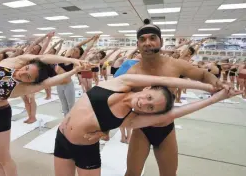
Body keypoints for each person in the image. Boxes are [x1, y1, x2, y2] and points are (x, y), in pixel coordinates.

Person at [54, 73, 241, 176]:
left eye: (150, 107)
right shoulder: (121, 82)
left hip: (85, 150)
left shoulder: (131, 119)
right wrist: (210, 87)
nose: (144, 103)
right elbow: (164, 80)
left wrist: (215, 98)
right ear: (146, 88)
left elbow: (175, 112)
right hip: (61, 138)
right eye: (149, 97)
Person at [110, 19, 230, 176]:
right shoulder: (132, 73)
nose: (147, 43)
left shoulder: (175, 65)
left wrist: (215, 81)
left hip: (166, 128)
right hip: (141, 129)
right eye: (143, 39)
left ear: (161, 41)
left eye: (152, 38)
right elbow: (115, 101)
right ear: (138, 45)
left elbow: (202, 74)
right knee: (132, 173)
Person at [0, 53, 86, 176]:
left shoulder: (23, 88)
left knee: (3, 158)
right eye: (26, 69)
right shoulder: (13, 62)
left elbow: (50, 82)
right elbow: (42, 58)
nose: (21, 73)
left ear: (31, 82)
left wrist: (74, 71)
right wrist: (71, 59)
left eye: (27, 77)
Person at [56, 35, 100, 116]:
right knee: (64, 106)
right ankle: (66, 121)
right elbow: (78, 45)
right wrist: (90, 38)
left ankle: (72, 121)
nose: (73, 52)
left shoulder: (77, 61)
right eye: (74, 50)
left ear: (79, 55)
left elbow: (87, 49)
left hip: (67, 85)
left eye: (76, 52)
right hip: (58, 85)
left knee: (71, 106)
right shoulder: (66, 57)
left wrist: (94, 40)